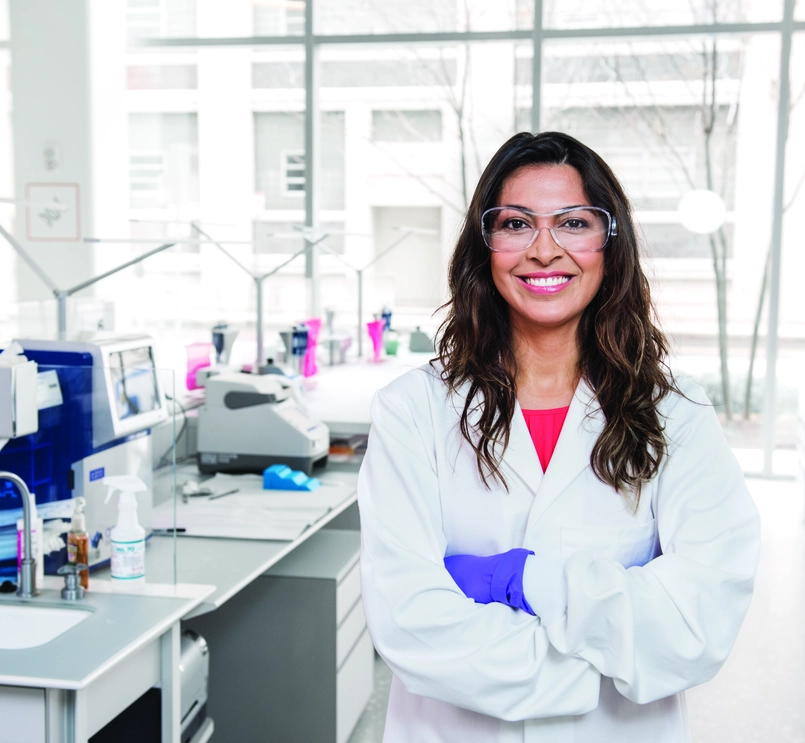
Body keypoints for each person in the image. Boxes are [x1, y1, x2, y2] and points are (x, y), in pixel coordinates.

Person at [357, 131, 760, 743]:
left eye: (573, 223)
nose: (544, 251)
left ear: (609, 242)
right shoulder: (413, 411)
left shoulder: (677, 413)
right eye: (517, 224)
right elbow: (411, 626)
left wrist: (527, 582)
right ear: (484, 245)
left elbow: (698, 621)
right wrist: (608, 665)